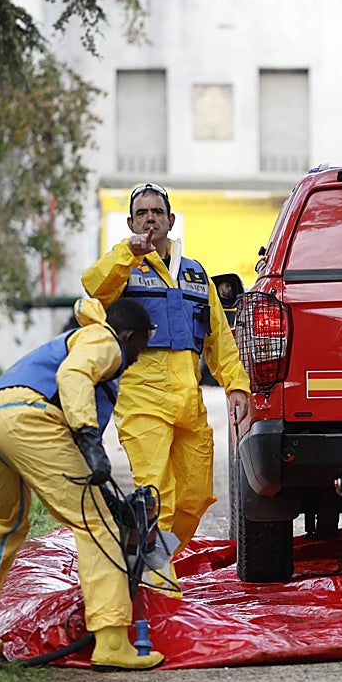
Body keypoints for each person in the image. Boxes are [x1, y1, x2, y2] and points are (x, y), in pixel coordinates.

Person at [0, 297, 165, 671]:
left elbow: (69, 449)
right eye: (142, 345)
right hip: (29, 421)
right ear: (130, 336)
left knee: (8, 523)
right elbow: (72, 377)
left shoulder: (74, 340)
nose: (139, 355)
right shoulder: (104, 340)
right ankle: (112, 640)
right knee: (96, 524)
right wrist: (88, 437)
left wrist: (99, 480)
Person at [82, 182, 251, 593]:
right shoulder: (122, 268)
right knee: (157, 495)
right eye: (142, 213)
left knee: (194, 497)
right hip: (144, 401)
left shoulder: (195, 274)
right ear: (131, 222)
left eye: (157, 212)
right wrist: (128, 252)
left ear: (171, 220)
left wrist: (236, 385)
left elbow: (218, 339)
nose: (151, 219)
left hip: (189, 404)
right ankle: (159, 584)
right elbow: (93, 286)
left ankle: (147, 560)